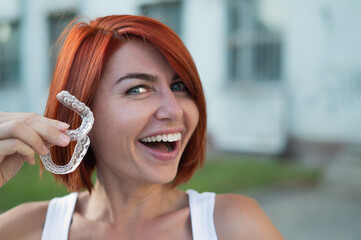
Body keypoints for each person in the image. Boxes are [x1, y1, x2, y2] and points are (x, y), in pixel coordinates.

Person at [0, 15, 284, 239]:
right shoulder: (24, 230)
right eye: (137, 90)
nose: (174, 110)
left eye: (179, 86)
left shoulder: (232, 225)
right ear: (79, 113)